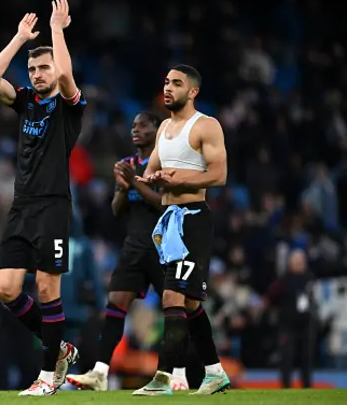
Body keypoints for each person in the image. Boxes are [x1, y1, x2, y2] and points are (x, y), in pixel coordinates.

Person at [0, 0, 86, 396]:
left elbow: (66, 78)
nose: (38, 73)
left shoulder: (69, 107)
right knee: (6, 290)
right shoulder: (25, 103)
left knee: (46, 289)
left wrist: (57, 31)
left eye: (43, 67)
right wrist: (19, 39)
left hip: (53, 206)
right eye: (32, 68)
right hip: (21, 206)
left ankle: (47, 378)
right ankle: (59, 350)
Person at [67, 112, 186, 391]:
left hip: (163, 245)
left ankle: (176, 373)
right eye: (133, 125)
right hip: (134, 244)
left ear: (157, 131)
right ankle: (100, 372)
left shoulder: (167, 164)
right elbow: (117, 210)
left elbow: (165, 204)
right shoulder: (129, 165)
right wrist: (121, 189)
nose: (136, 129)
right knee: (115, 305)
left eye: (143, 125)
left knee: (173, 308)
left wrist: (134, 183)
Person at [133, 65, 231, 395]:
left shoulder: (206, 125)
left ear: (193, 92)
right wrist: (139, 178)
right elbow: (151, 175)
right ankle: (215, 372)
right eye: (166, 82)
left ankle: (163, 378)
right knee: (188, 303)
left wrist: (180, 178)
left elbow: (219, 175)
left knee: (172, 297)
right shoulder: (163, 128)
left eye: (177, 83)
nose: (168, 88)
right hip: (170, 220)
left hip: (193, 219)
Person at [265, 249, 316, 388]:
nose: (299, 265)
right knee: (286, 356)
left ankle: (307, 385)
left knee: (307, 356)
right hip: (287, 323)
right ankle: (286, 385)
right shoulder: (284, 280)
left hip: (306, 322)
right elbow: (271, 296)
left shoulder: (310, 279)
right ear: (290, 264)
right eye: (296, 262)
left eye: (301, 262)